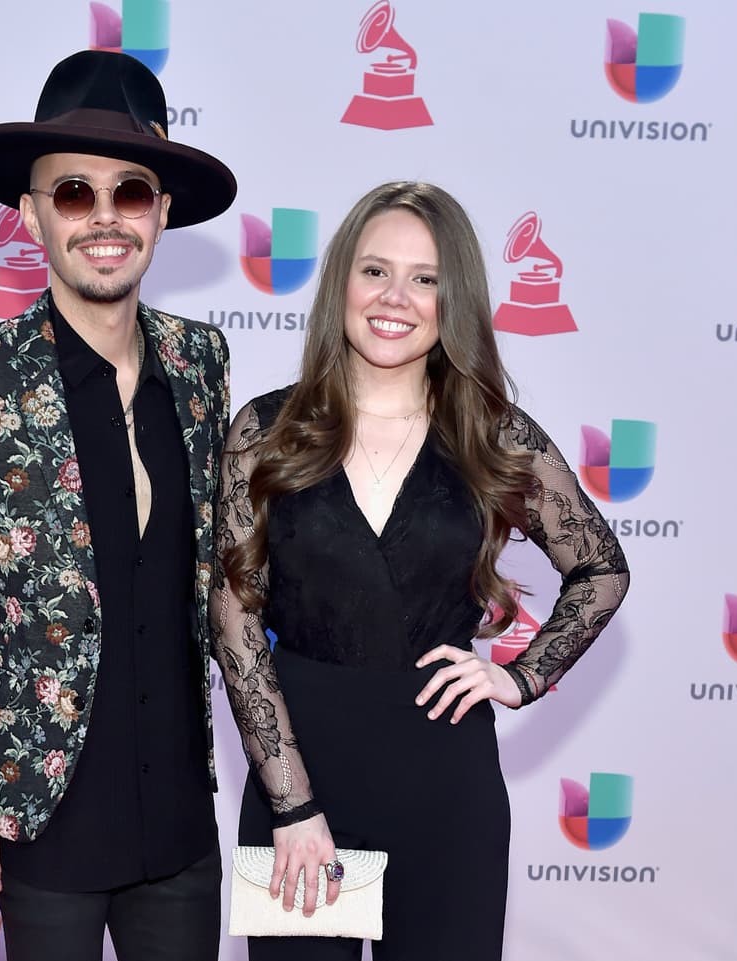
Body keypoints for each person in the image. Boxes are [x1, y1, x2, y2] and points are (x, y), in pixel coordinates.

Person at [211, 181, 631, 960]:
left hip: (447, 787)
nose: (394, 297)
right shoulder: (266, 432)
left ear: (453, 298)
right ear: (342, 281)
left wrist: (521, 675)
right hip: (300, 779)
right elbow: (234, 620)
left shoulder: (495, 434)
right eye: (375, 270)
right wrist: (292, 805)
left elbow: (602, 568)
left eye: (425, 278)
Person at [0, 50, 237, 961]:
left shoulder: (201, 362)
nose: (105, 218)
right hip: (39, 824)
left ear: (163, 212)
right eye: (74, 193)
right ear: (32, 213)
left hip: (179, 825)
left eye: (131, 192)